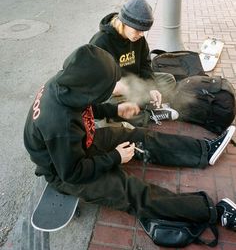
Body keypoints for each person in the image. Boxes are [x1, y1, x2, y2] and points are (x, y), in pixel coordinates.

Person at [24, 44, 236, 243]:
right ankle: (213, 211)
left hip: (80, 144)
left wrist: (114, 110)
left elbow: (84, 106)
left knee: (138, 136)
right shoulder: (59, 125)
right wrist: (115, 157)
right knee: (134, 192)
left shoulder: (65, 83)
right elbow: (73, 173)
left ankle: (204, 151)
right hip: (65, 171)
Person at [89, 0, 178, 122]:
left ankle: (143, 108)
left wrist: (151, 86)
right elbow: (92, 81)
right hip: (115, 93)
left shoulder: (138, 38)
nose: (141, 34)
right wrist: (112, 85)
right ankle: (149, 116)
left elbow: (145, 65)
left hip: (138, 85)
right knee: (112, 108)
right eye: (138, 30)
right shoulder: (101, 42)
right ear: (124, 23)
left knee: (169, 80)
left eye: (144, 31)